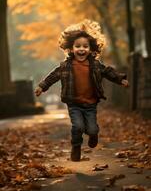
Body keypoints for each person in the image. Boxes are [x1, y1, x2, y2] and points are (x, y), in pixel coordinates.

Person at [35, 19, 129, 162]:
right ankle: (76, 146)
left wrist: (120, 79)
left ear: (91, 49)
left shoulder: (96, 65)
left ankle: (93, 135)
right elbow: (52, 76)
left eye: (85, 46)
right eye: (77, 46)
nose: (81, 49)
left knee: (92, 129)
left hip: (90, 104)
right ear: (71, 48)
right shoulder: (66, 66)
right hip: (74, 104)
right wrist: (42, 86)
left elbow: (108, 72)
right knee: (78, 126)